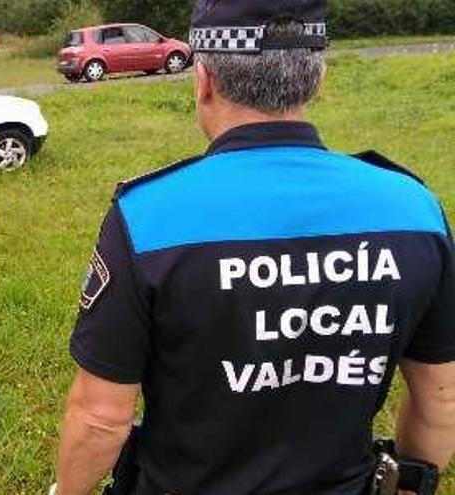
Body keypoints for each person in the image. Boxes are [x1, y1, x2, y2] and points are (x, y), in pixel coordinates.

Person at [52, 1, 455, 494]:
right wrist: (410, 481)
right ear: (317, 78)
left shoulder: (150, 216)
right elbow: (442, 398)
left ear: (204, 80)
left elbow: (99, 419)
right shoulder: (413, 208)